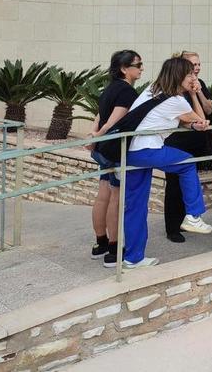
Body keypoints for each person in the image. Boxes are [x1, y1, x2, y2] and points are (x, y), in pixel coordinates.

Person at [122, 57, 212, 269]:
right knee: (188, 163)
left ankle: (133, 257)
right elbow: (202, 121)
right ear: (180, 75)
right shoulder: (177, 100)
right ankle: (193, 215)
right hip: (148, 149)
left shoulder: (152, 90)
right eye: (190, 74)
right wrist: (193, 93)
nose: (194, 77)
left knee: (135, 206)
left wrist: (192, 124)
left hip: (130, 151)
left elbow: (181, 122)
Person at [88, 50, 142, 268]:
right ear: (124, 68)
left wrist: (94, 136)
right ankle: (113, 248)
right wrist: (100, 134)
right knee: (116, 198)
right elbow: (112, 121)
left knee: (103, 195)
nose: (141, 68)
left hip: (102, 149)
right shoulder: (127, 92)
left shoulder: (109, 88)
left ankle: (99, 244)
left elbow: (99, 116)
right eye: (138, 64)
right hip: (115, 151)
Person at [161, 51, 212, 243]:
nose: (196, 69)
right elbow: (187, 117)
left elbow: (208, 110)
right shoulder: (174, 90)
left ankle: (189, 219)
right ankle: (172, 227)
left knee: (189, 183)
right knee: (174, 185)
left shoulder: (200, 86)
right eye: (192, 66)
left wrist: (197, 91)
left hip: (195, 140)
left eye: (198, 65)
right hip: (176, 142)